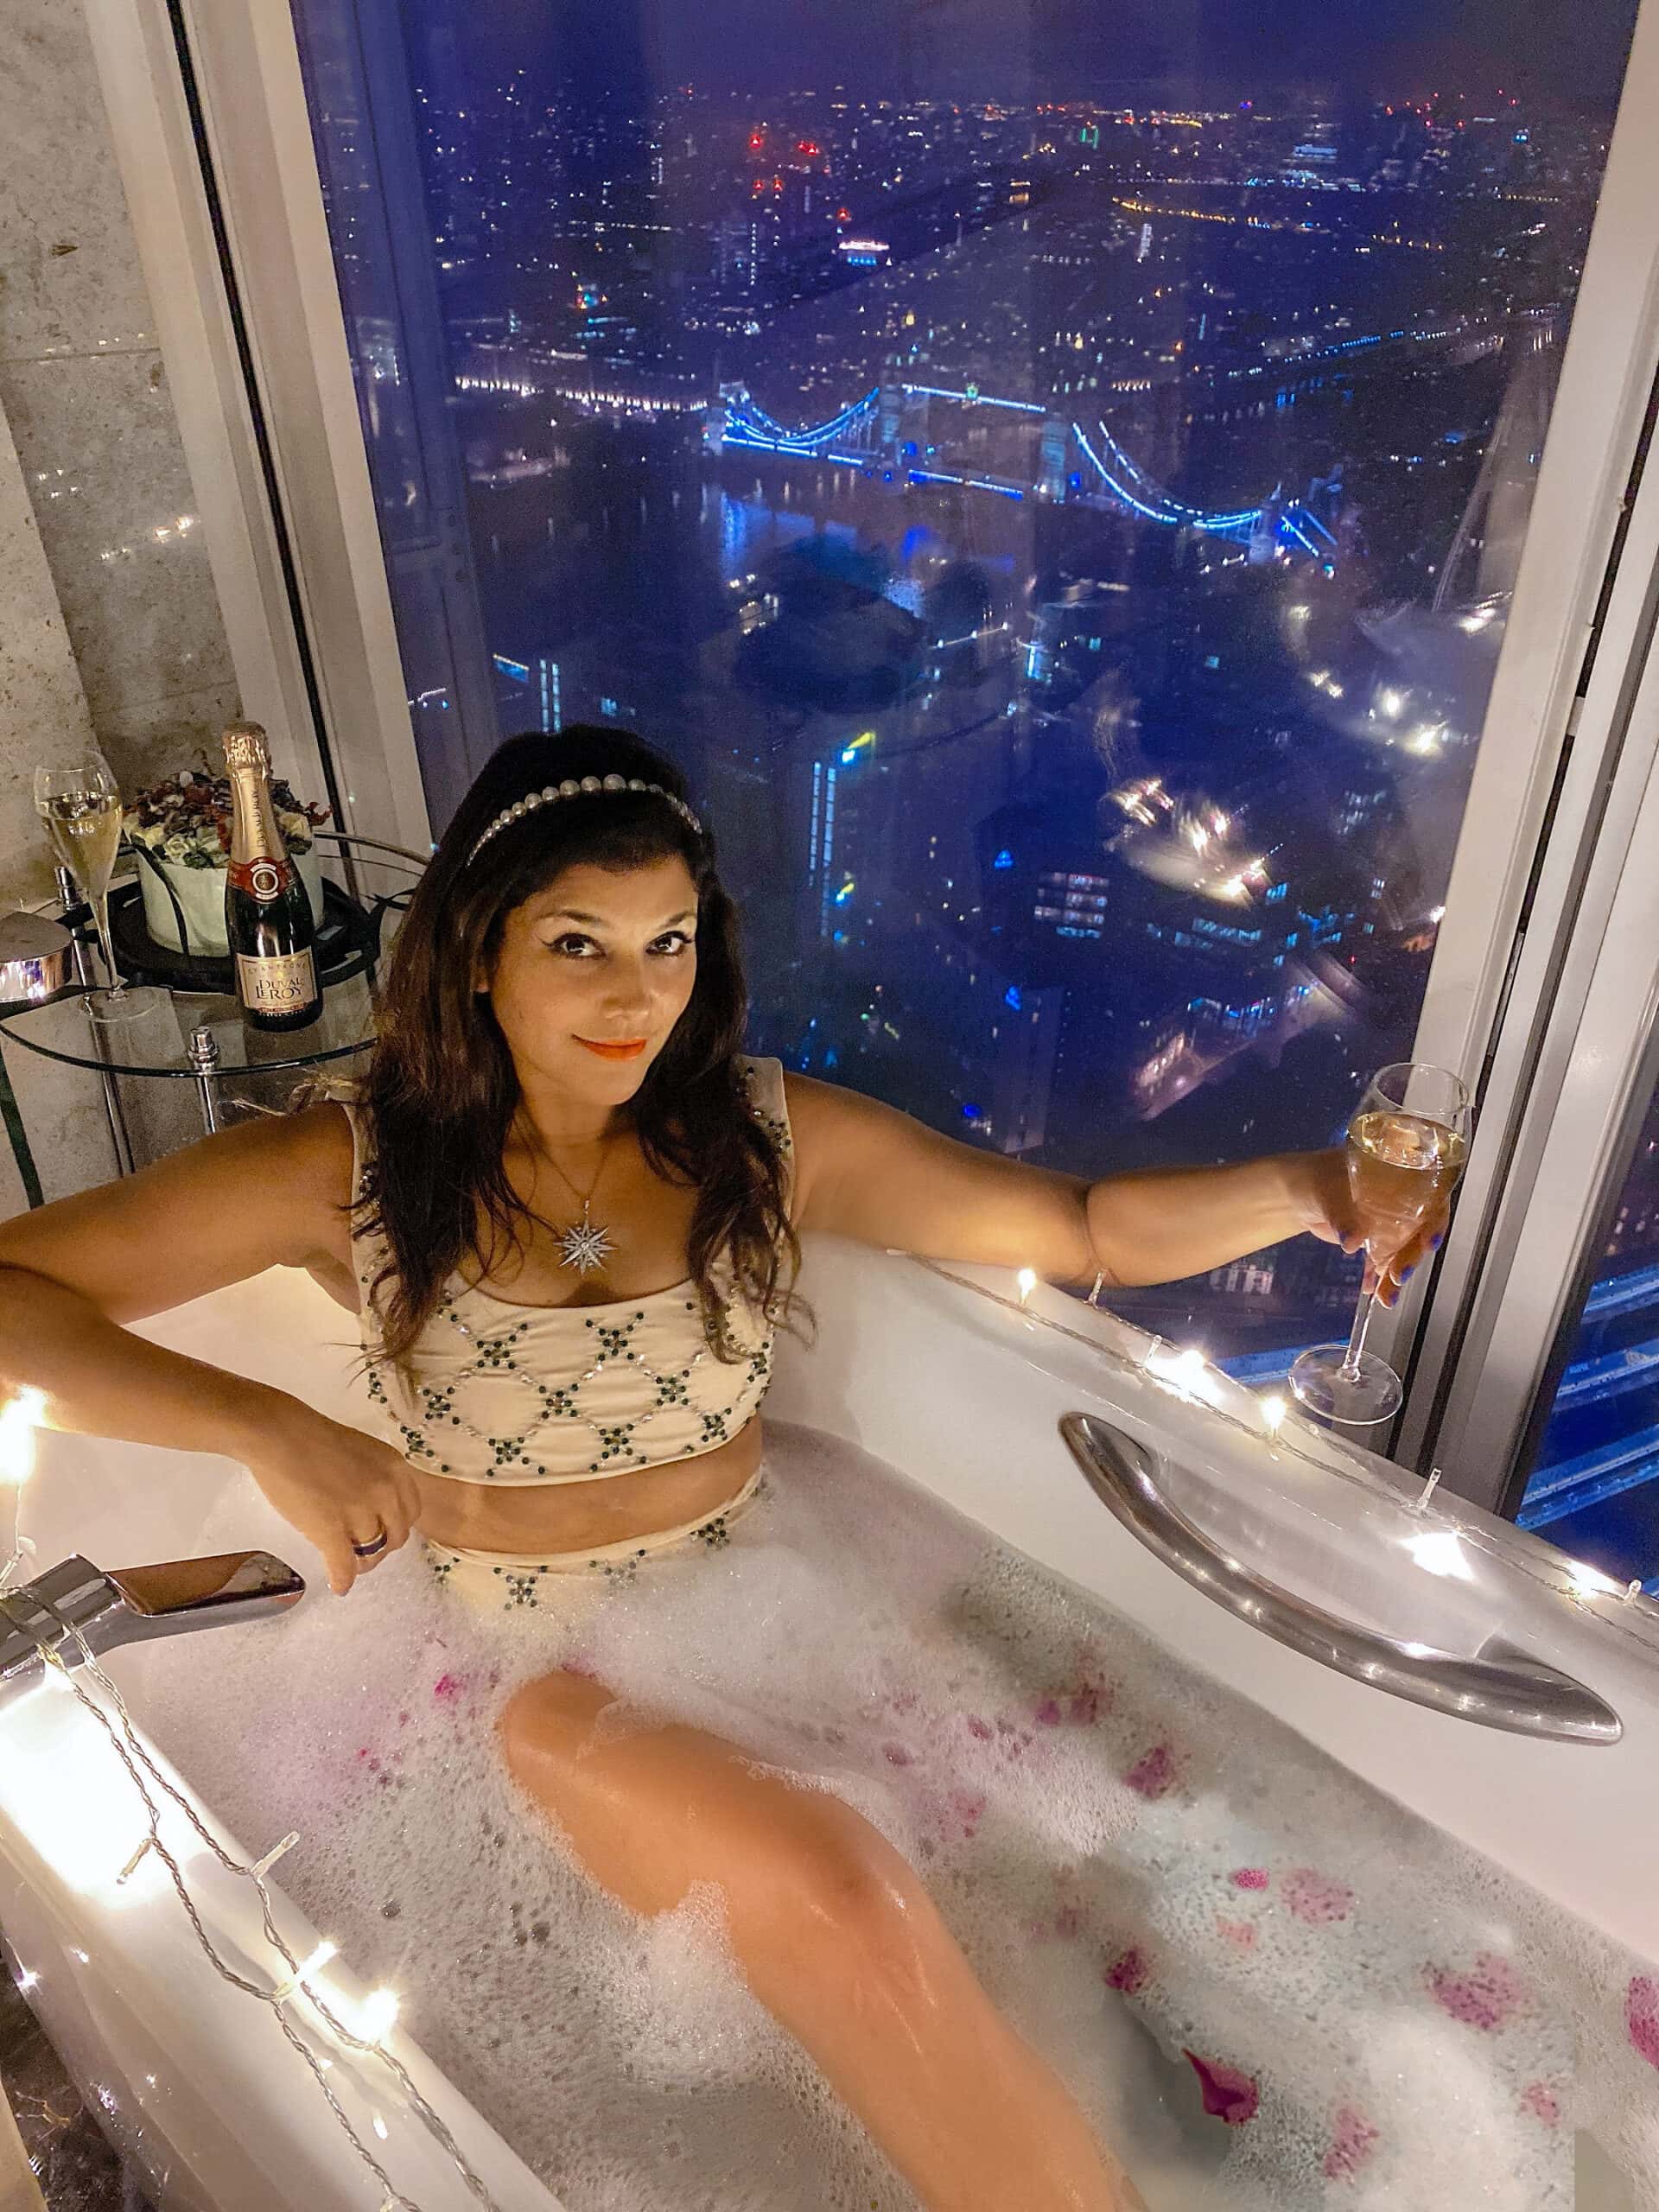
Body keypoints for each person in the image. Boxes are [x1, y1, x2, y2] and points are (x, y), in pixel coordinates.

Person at [0, 728, 1434, 2212]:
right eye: (580, 944)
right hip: (524, 1667)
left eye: (669, 942)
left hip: (783, 1603)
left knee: (1095, 1891)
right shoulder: (350, 1169)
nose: (637, 995)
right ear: (479, 954)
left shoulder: (762, 1140)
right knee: (842, 1887)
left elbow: (1082, 1229)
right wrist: (261, 1424)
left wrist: (1317, 1187)